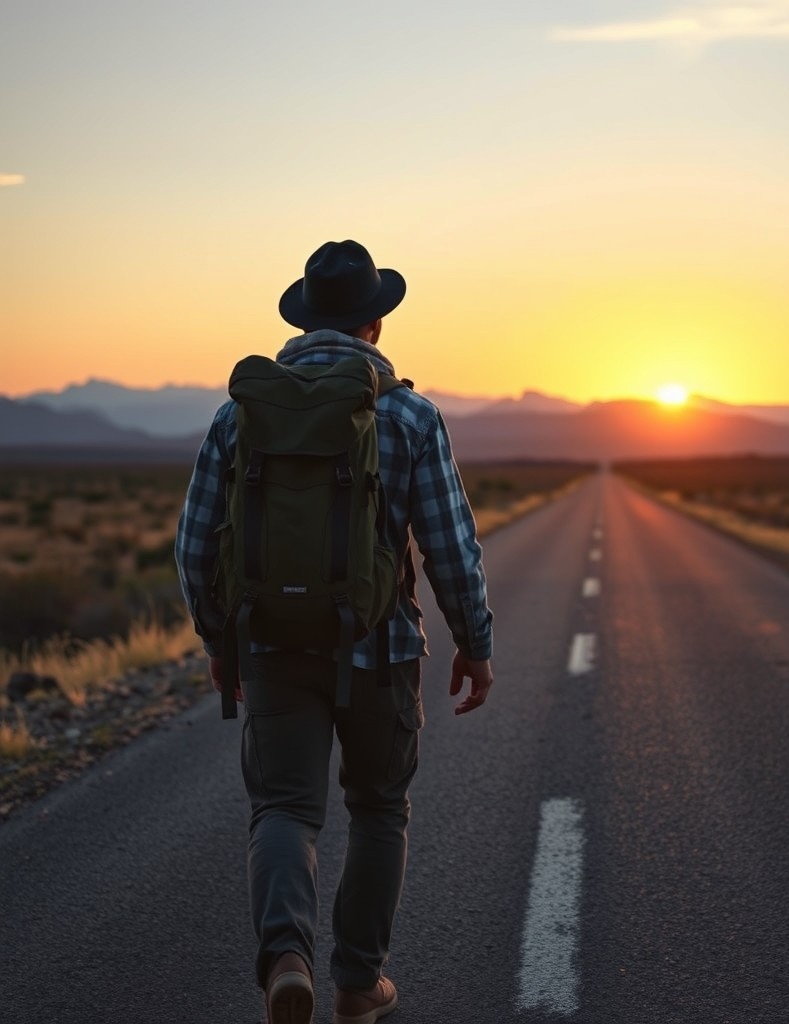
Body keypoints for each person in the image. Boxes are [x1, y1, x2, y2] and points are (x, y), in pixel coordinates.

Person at [175, 239, 494, 1024]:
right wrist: (475, 643)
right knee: (379, 808)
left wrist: (222, 643)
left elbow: (193, 544)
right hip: (381, 646)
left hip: (276, 647)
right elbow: (448, 545)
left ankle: (288, 959)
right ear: (374, 325)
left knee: (284, 809)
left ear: (305, 318)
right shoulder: (411, 414)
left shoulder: (238, 413)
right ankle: (358, 985)